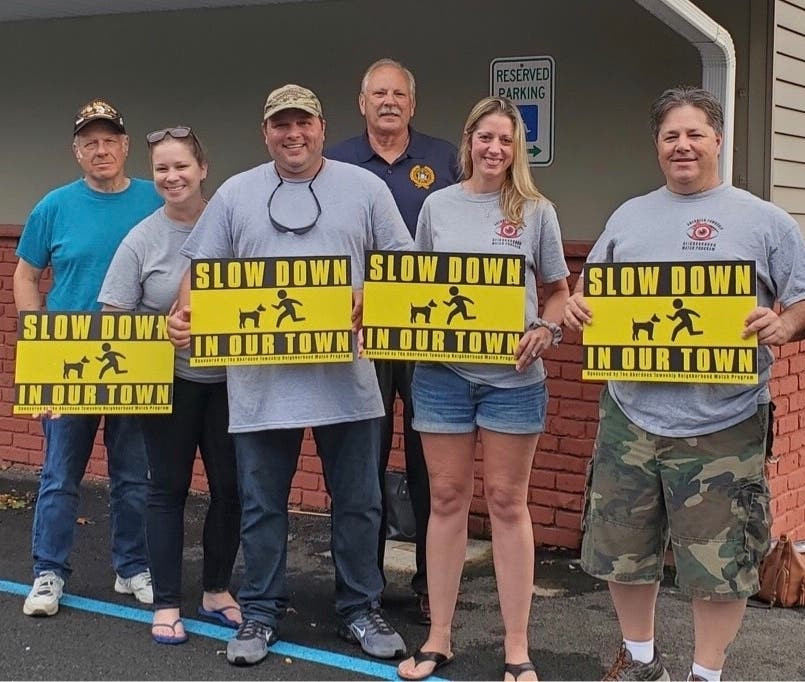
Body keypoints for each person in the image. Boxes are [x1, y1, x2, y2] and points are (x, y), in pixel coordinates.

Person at [563, 86, 805, 682]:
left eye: (694, 134)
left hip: (723, 420)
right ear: (657, 145)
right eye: (670, 136)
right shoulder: (629, 216)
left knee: (721, 562)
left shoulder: (764, 220)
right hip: (632, 414)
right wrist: (579, 306)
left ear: (718, 140)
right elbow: (590, 290)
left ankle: (706, 674)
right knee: (621, 551)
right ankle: (641, 662)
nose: (682, 146)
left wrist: (783, 323)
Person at [167, 84, 412, 667]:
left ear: (322, 127)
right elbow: (201, 272)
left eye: (303, 122)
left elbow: (401, 266)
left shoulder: (366, 188)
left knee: (358, 502)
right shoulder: (235, 193)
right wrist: (184, 317)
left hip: (348, 382)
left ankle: (359, 607)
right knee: (262, 503)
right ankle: (261, 612)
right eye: (281, 124)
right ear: (266, 132)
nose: (292, 134)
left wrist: (371, 297)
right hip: (260, 384)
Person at [396, 96, 570, 682]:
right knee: (445, 500)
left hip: (513, 380)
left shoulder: (535, 211)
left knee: (506, 503)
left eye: (506, 139)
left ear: (518, 147)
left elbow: (557, 291)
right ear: (467, 140)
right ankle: (438, 637)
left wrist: (546, 327)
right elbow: (417, 288)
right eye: (485, 137)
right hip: (442, 376)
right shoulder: (436, 207)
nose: (494, 149)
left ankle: (516, 647)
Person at [15, 98, 162, 617]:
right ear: (77, 152)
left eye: (109, 140)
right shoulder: (52, 206)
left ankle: (132, 567)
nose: (101, 150)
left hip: (136, 358)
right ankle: (48, 573)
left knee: (131, 474)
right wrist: (37, 345)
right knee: (59, 474)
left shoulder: (155, 199)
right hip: (68, 359)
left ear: (125, 147)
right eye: (89, 142)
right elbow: (26, 277)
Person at [327, 58, 459, 625]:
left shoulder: (445, 158)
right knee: (363, 461)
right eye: (377, 93)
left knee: (433, 462)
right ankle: (364, 586)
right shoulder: (334, 164)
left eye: (398, 94)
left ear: (412, 102)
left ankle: (433, 583)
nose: (388, 101)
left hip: (426, 332)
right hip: (360, 334)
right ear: (361, 103)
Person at [98, 126, 241, 645]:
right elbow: (112, 316)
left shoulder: (235, 225)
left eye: (182, 166)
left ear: (203, 170)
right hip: (172, 384)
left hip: (233, 383)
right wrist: (161, 328)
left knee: (232, 490)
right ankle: (166, 602)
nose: (172, 176)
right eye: (162, 168)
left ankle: (217, 590)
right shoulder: (143, 237)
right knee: (167, 491)